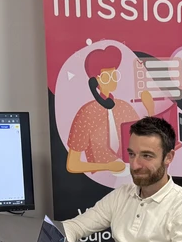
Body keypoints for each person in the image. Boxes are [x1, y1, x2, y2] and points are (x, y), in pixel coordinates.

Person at [62, 116, 182, 242]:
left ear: (168, 157)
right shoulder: (122, 194)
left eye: (147, 156)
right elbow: (73, 226)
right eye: (132, 154)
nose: (135, 165)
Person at [66, 44, 155, 175]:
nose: (112, 81)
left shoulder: (124, 108)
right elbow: (72, 164)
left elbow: (143, 141)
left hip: (131, 175)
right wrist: (107, 166)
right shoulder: (86, 114)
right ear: (95, 82)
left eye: (114, 75)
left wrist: (150, 110)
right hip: (100, 177)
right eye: (107, 77)